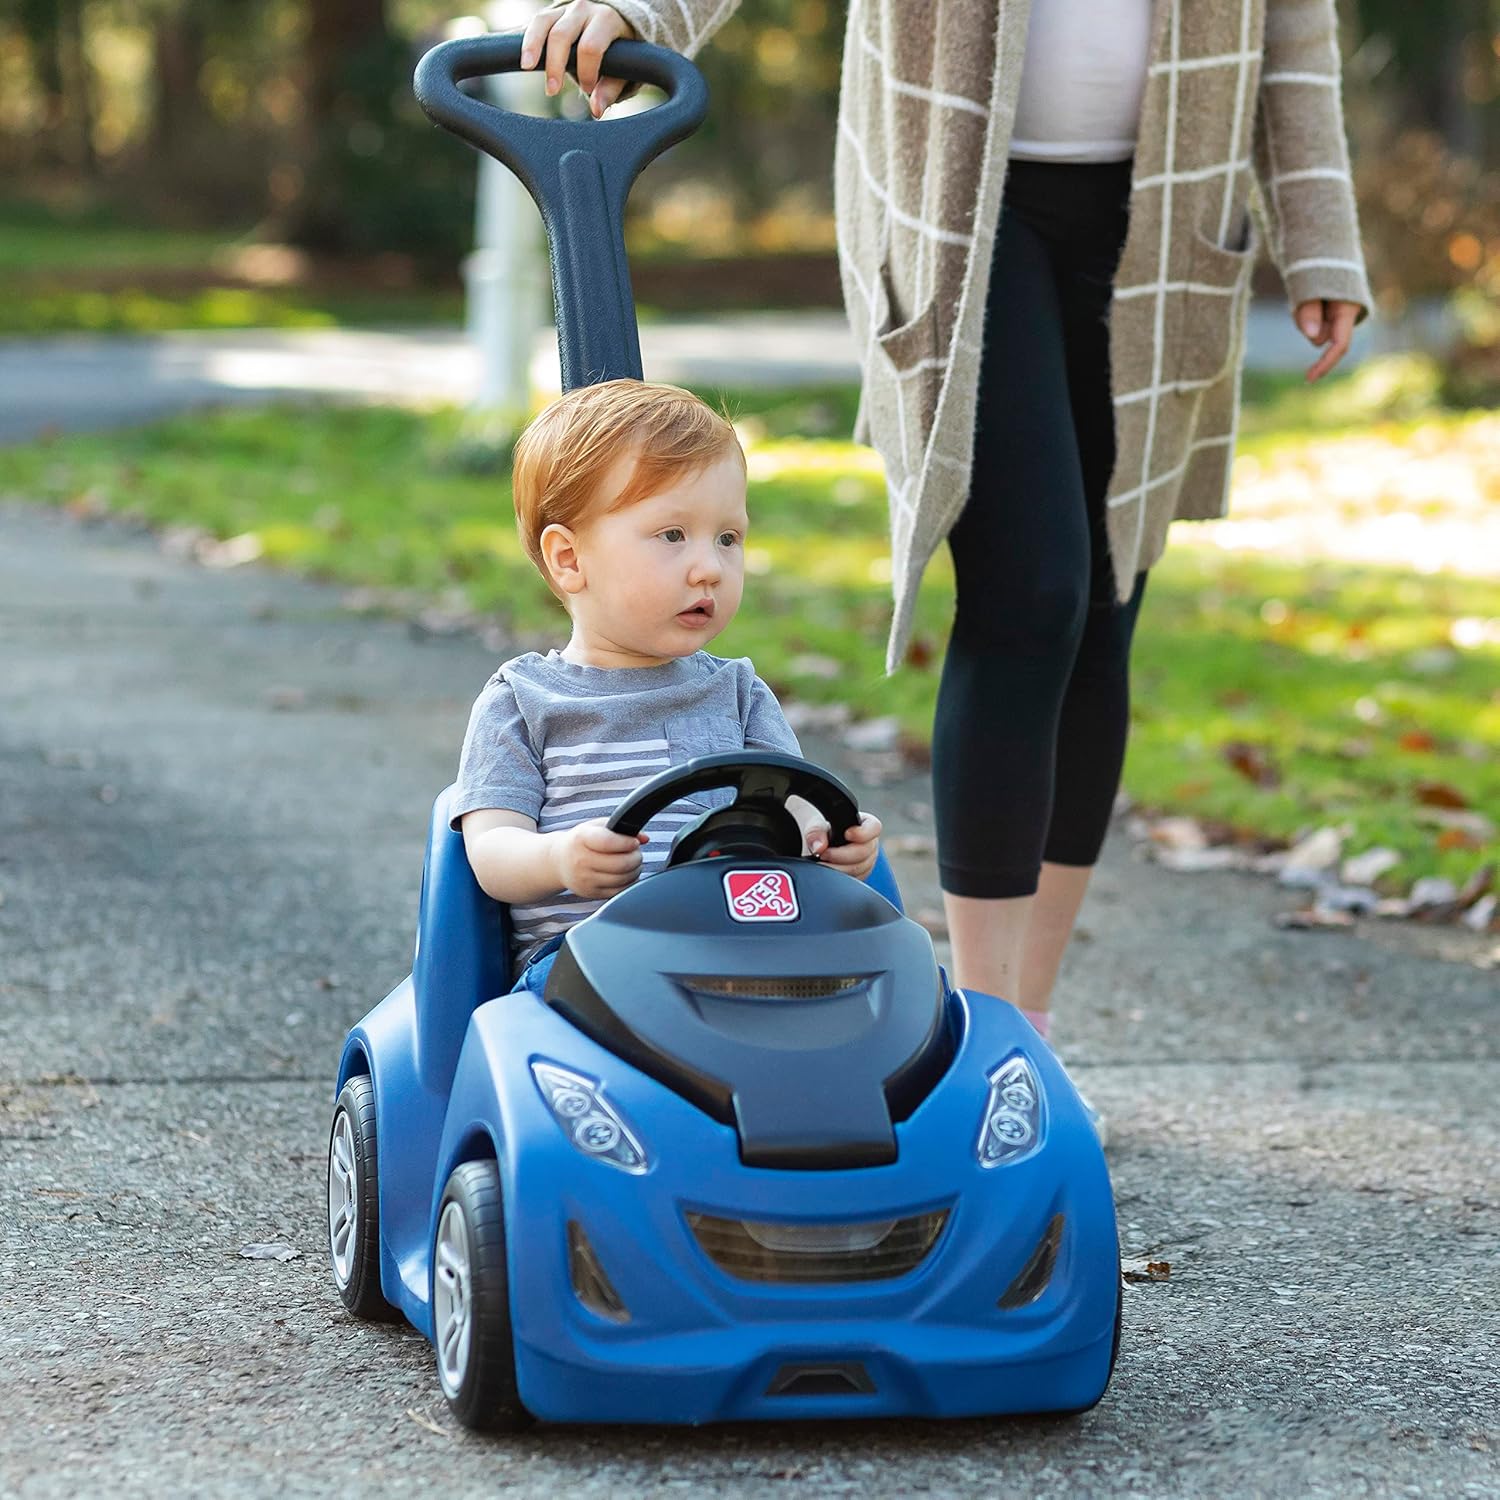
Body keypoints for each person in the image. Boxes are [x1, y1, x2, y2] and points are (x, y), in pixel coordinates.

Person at [517, 1, 1373, 1084]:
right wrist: (640, 11)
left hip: (1169, 213)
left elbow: (1291, 30)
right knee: (1035, 592)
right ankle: (982, 1024)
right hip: (959, 203)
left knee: (1107, 604)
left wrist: (1321, 234)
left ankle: (1032, 1023)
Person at [451, 379, 882, 998]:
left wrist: (835, 840)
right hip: (587, 970)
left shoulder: (737, 692)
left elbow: (800, 802)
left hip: (747, 950)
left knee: (886, 989)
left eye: (728, 538)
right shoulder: (523, 702)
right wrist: (560, 859)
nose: (710, 566)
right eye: (673, 535)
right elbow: (490, 851)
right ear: (570, 559)